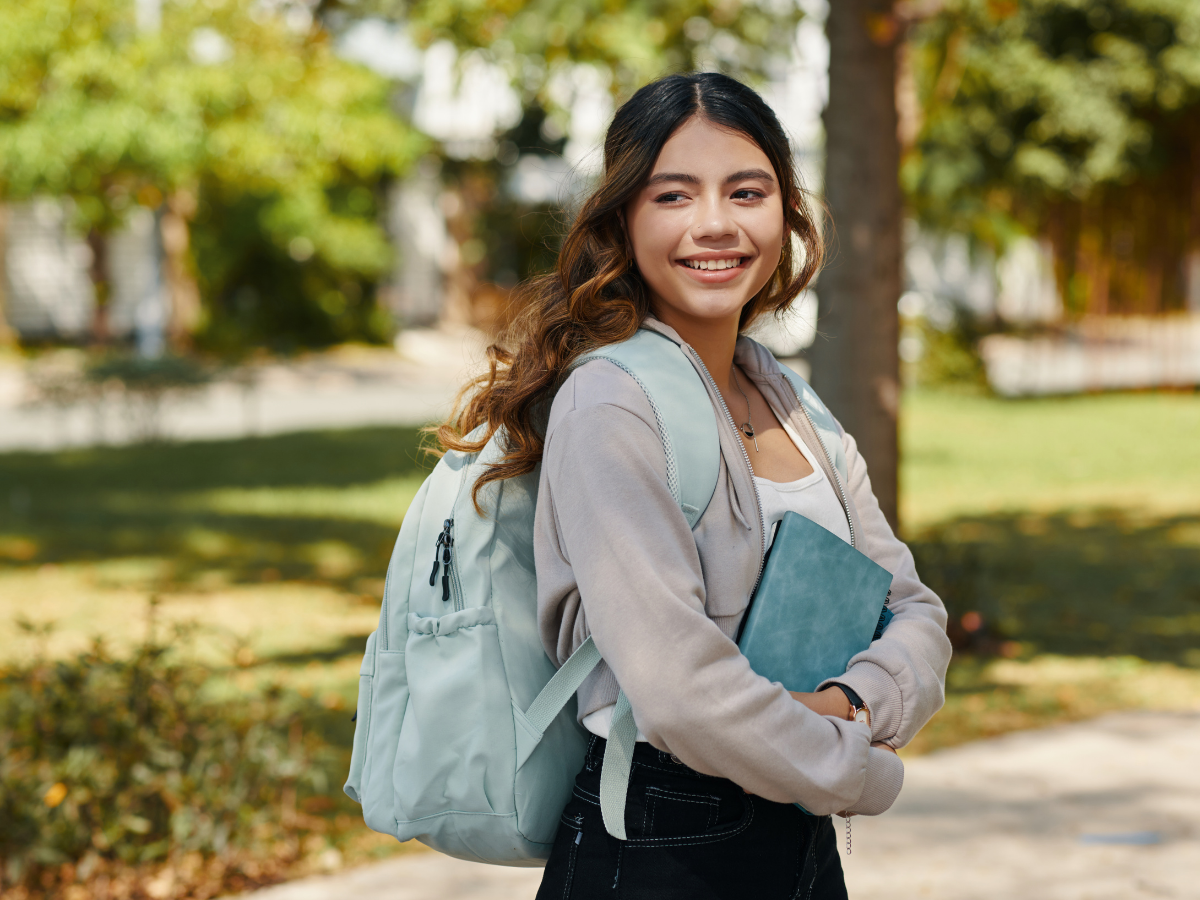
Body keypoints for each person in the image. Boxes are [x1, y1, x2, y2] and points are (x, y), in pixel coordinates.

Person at [437, 72, 951, 899]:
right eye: (673, 196)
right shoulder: (609, 403)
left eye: (746, 191)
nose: (714, 224)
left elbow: (915, 609)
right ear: (624, 221)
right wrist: (858, 769)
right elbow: (679, 693)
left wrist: (852, 702)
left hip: (799, 834)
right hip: (661, 841)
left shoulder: (789, 398)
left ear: (785, 213)